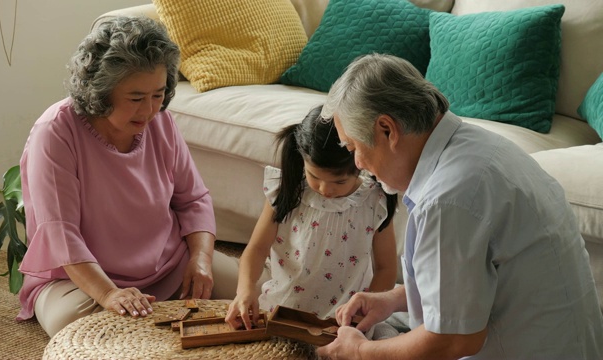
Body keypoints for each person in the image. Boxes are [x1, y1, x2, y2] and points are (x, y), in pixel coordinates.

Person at [316, 53, 603, 359]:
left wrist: (360, 351)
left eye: (354, 148)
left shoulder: (446, 199)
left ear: (387, 129)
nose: (358, 164)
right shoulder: (482, 146)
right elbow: (475, 282)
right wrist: (392, 299)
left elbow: (454, 340)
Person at [16, 16, 217, 337]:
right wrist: (109, 294)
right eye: (136, 98)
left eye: (158, 94)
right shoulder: (55, 131)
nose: (150, 110)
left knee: (262, 292)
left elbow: (193, 199)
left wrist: (201, 259)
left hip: (168, 264)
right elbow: (60, 232)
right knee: (77, 331)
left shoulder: (160, 119)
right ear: (102, 91)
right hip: (79, 279)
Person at [223, 105, 398, 330]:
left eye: (340, 182)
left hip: (344, 321)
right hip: (282, 310)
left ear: (360, 164)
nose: (325, 189)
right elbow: (256, 249)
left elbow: (386, 269)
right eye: (314, 176)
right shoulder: (287, 190)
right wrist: (245, 290)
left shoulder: (374, 202)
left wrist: (366, 310)